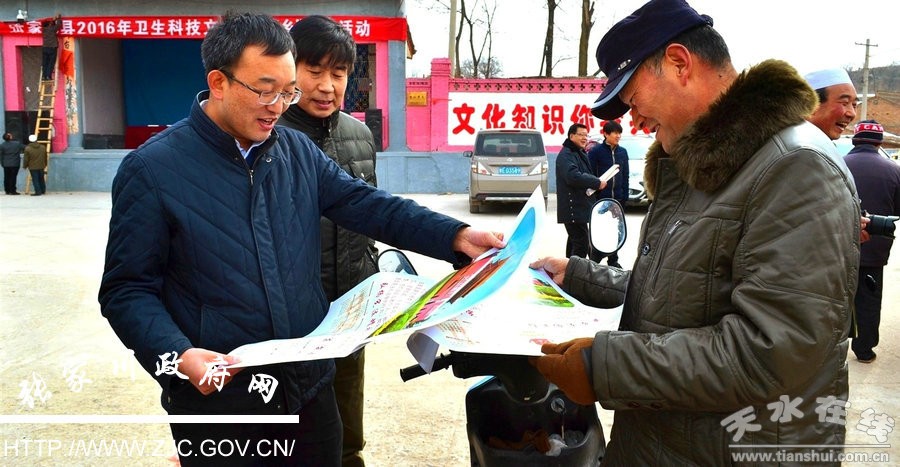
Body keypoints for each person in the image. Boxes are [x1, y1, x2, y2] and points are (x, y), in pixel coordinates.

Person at [97, 12, 504, 467]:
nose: (278, 106)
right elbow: (126, 291)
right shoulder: (153, 170)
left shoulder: (296, 152)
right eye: (265, 90)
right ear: (219, 82)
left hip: (309, 391)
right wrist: (178, 355)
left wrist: (455, 235)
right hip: (221, 402)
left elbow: (369, 205)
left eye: (288, 91)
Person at [529, 0, 859, 464]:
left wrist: (602, 367)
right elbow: (685, 293)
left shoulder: (794, 167)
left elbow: (771, 350)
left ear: (680, 63)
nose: (635, 121)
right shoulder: (701, 165)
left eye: (633, 100)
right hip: (667, 442)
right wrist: (580, 277)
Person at [277, 15, 375, 467]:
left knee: (347, 428)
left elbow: (370, 214)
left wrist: (371, 280)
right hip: (290, 320)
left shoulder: (360, 136)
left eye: (338, 73)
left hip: (349, 313)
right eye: (313, 70)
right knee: (290, 432)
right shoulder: (268, 133)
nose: (326, 86)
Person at [844, 120, 900, 364]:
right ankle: (864, 350)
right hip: (875, 248)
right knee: (868, 299)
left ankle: (830, 349)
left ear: (855, 139)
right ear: (879, 142)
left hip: (837, 245)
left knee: (834, 296)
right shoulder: (894, 170)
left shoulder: (837, 164)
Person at [555, 123, 606, 260]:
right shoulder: (566, 154)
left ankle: (568, 268)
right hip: (573, 208)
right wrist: (596, 182)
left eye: (586, 135)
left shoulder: (578, 152)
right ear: (571, 136)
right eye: (581, 135)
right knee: (581, 243)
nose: (585, 138)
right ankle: (576, 270)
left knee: (575, 241)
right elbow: (573, 176)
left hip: (580, 206)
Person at [587, 120, 629, 268]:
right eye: (615, 133)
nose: (618, 136)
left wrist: (624, 197)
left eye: (619, 133)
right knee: (600, 231)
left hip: (617, 199)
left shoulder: (622, 152)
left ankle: (613, 260)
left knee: (616, 230)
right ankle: (594, 260)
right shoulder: (596, 152)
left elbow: (625, 175)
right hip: (601, 199)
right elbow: (591, 175)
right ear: (605, 134)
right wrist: (595, 196)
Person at [804, 68, 858, 141]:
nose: (852, 114)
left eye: (854, 105)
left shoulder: (822, 146)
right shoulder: (797, 146)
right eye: (844, 103)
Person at [41, 14, 62, 80]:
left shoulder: (43, 29)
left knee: (45, 62)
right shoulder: (52, 29)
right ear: (49, 24)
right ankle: (48, 76)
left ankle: (44, 76)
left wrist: (53, 20)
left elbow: (52, 24)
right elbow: (58, 25)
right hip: (52, 48)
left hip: (45, 48)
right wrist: (58, 18)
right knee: (51, 63)